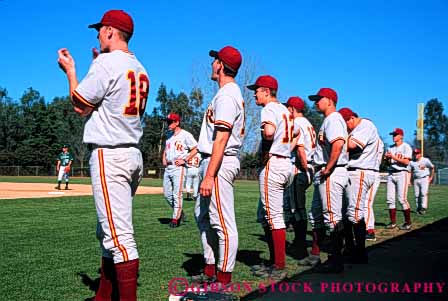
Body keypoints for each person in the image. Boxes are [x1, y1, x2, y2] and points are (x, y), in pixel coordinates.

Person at [57, 9, 149, 300]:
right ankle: (104, 294)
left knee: (119, 238)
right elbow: (108, 103)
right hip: (132, 155)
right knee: (107, 230)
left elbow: (79, 105)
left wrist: (71, 72)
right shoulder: (140, 67)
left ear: (110, 31)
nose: (97, 34)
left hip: (111, 156)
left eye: (100, 29)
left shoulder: (108, 63)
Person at [190, 45, 244, 286]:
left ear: (221, 65)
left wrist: (210, 175)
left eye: (215, 60)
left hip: (219, 162)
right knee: (202, 216)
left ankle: (223, 280)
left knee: (222, 221)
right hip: (212, 160)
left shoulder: (228, 95)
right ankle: (211, 269)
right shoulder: (224, 93)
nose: (212, 64)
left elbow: (221, 139)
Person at [247, 75, 294, 279]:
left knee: (273, 216)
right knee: (268, 215)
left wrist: (265, 149)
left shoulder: (269, 109)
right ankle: (275, 261)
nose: (254, 93)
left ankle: (278, 265)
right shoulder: (285, 110)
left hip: (274, 163)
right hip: (286, 163)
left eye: (256, 90)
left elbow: (269, 133)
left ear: (267, 91)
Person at [307, 88, 348, 273]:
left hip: (332, 171)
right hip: (325, 171)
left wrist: (328, 168)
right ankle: (317, 255)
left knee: (331, 217)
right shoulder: (329, 120)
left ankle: (336, 260)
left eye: (319, 99)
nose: (316, 102)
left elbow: (338, 144)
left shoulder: (334, 119)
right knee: (317, 215)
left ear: (330, 100)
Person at [338, 107, 381, 263]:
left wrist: (338, 139)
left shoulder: (365, 125)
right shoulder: (357, 128)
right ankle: (351, 248)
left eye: (344, 123)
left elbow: (351, 146)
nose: (345, 127)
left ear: (351, 118)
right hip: (355, 171)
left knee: (355, 213)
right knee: (347, 212)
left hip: (361, 171)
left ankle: (361, 253)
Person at [284, 97, 316, 260]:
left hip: (300, 167)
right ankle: (299, 242)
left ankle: (300, 246)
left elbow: (300, 149)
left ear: (291, 109)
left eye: (287, 108)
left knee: (297, 208)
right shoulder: (308, 123)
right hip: (309, 165)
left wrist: (303, 167)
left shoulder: (297, 123)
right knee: (297, 207)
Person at [162, 113, 197, 228]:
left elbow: (196, 148)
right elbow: (165, 149)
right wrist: (163, 158)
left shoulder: (185, 135)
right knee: (167, 195)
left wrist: (185, 159)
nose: (168, 123)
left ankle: (175, 219)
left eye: (170, 121)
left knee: (177, 194)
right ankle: (180, 212)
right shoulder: (169, 136)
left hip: (178, 167)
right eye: (167, 121)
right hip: (168, 167)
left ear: (177, 122)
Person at [385, 128, 413, 230]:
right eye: (393, 135)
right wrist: (387, 159)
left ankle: (408, 223)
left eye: (396, 134)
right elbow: (388, 163)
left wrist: (393, 157)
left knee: (402, 199)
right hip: (391, 173)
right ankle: (393, 223)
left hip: (402, 173)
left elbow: (406, 162)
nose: (394, 136)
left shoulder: (406, 147)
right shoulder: (390, 148)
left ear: (401, 136)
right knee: (390, 199)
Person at [364, 137, 384, 241]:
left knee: (366, 203)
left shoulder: (374, 139)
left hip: (372, 172)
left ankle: (370, 231)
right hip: (369, 172)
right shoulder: (377, 140)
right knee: (362, 203)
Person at [410, 148, 435, 215]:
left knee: (423, 194)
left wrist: (431, 177)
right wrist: (410, 180)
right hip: (416, 179)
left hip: (424, 178)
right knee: (417, 195)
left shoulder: (425, 160)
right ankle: (418, 208)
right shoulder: (412, 162)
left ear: (420, 154)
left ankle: (423, 208)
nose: (416, 155)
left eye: (417, 153)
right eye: (415, 154)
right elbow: (410, 171)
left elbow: (432, 167)